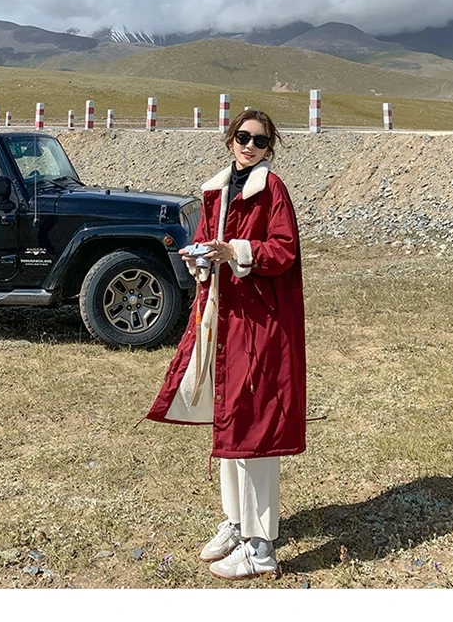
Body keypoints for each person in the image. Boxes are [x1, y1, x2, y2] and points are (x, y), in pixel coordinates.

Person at [144, 109, 306, 580]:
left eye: (260, 140)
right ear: (230, 139)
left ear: (270, 147)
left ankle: (261, 547)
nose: (250, 146)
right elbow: (204, 241)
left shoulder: (272, 190)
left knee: (254, 426)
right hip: (224, 318)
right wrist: (198, 258)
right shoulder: (216, 190)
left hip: (260, 322)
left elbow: (284, 249)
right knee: (230, 418)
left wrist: (237, 251)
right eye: (243, 137)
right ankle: (237, 523)